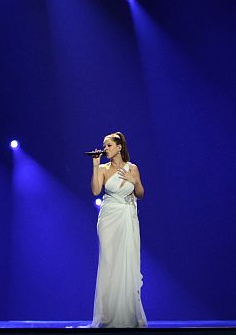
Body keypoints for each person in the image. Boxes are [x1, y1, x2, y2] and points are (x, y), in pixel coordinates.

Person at [90, 131, 147, 328]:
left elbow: (140, 193)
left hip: (127, 217)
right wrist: (95, 165)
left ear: (119, 147)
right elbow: (96, 190)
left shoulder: (133, 168)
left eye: (109, 146)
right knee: (109, 262)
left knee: (126, 263)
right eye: (104, 146)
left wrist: (134, 182)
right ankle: (107, 315)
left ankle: (125, 315)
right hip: (108, 218)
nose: (105, 149)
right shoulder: (104, 168)